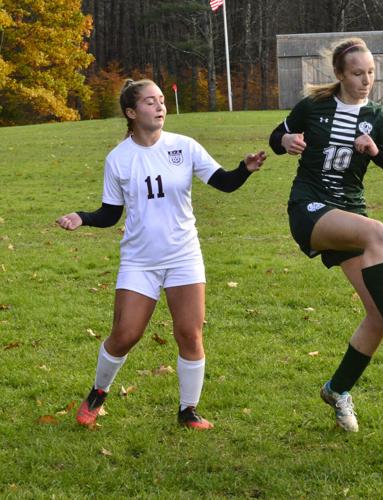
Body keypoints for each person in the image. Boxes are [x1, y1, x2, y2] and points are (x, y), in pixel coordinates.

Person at [57, 79, 266, 430]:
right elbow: (110, 214)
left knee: (190, 333)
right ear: (131, 112)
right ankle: (98, 392)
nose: (160, 107)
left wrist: (244, 169)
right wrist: (83, 217)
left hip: (183, 256)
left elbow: (223, 182)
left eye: (162, 101)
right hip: (140, 261)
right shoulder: (119, 159)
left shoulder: (184, 147)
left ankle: (188, 411)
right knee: (125, 335)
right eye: (150, 102)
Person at [268, 38, 383, 432]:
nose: (366, 80)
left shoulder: (379, 118)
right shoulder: (314, 107)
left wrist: (376, 153)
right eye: (357, 73)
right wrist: (284, 141)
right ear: (339, 74)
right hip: (308, 209)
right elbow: (277, 136)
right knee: (377, 232)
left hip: (348, 213)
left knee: (375, 315)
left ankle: (337, 390)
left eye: (371, 72)